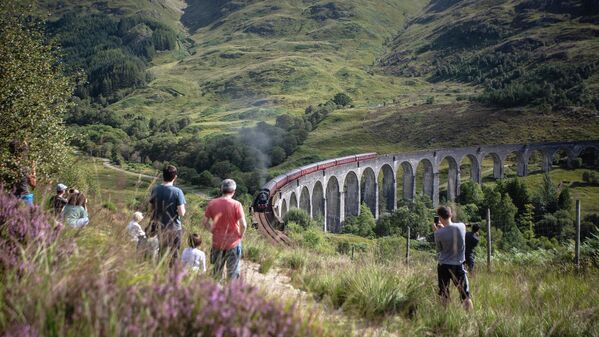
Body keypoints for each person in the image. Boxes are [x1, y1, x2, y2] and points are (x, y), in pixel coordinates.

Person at [202, 179, 247, 281]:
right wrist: (241, 235)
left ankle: (216, 294)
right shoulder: (237, 204)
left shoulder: (212, 203)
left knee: (216, 273)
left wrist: (212, 230)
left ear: (221, 189)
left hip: (217, 243)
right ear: (233, 191)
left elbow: (204, 222)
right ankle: (230, 295)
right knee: (233, 273)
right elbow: (243, 224)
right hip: (233, 243)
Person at [432, 206, 473, 310]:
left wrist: (436, 232)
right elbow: (462, 225)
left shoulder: (438, 233)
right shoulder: (461, 227)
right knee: (465, 294)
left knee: (444, 293)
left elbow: (439, 249)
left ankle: (444, 315)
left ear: (440, 218)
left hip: (443, 266)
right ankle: (470, 316)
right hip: (458, 265)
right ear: (450, 215)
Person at [147, 165, 186, 265]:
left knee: (159, 251)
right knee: (174, 254)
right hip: (174, 228)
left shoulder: (155, 189)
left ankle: (159, 270)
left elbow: (151, 209)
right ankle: (171, 276)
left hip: (157, 227)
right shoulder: (178, 192)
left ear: (162, 176)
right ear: (175, 177)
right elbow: (182, 213)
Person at [9, 140, 36, 205]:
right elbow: (33, 184)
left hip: (13, 196)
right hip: (25, 196)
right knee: (30, 214)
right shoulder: (24, 166)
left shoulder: (9, 164)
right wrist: (34, 171)